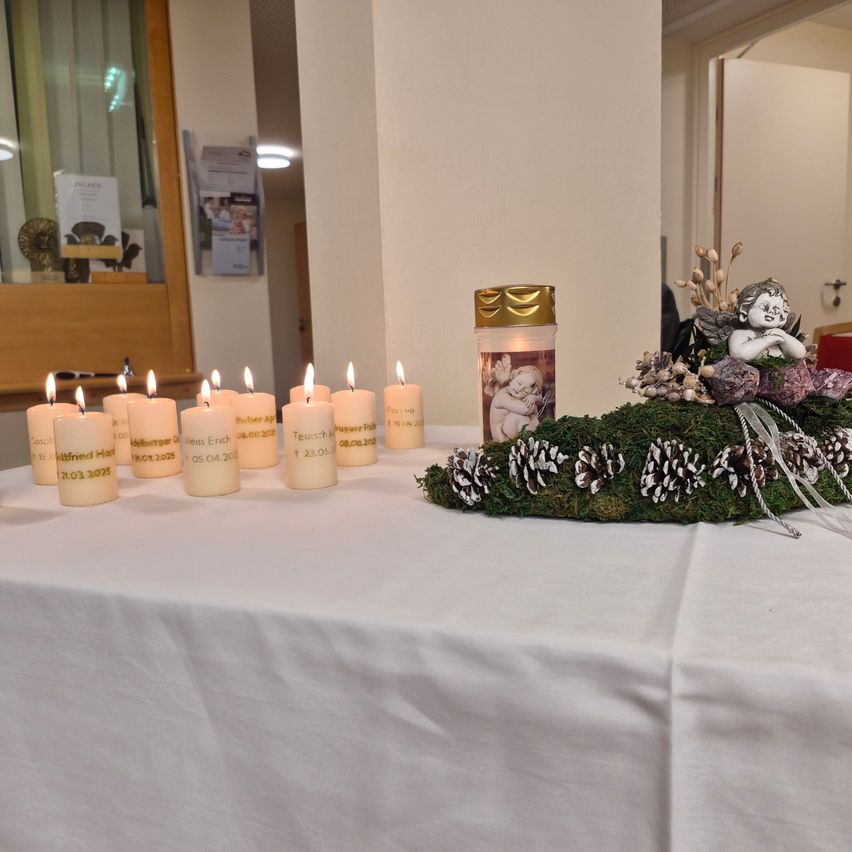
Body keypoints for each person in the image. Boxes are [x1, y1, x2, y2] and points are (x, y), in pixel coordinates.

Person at [727, 280, 806, 362]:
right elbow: (739, 355)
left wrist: (784, 337)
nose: (771, 312)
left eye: (776, 310)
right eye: (763, 307)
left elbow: (800, 354)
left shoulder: (778, 335)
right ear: (745, 309)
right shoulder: (741, 334)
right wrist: (765, 341)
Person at [489, 365, 544, 441]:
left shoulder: (518, 396)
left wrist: (534, 397)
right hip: (501, 437)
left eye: (525, 390)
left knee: (533, 417)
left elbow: (540, 400)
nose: (519, 389)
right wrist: (535, 401)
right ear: (514, 377)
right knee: (520, 416)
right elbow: (525, 410)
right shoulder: (502, 396)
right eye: (519, 383)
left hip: (511, 432)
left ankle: (536, 441)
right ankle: (530, 442)